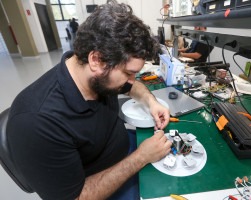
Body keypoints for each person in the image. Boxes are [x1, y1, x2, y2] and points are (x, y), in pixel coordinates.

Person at [6, 1, 172, 200]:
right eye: (129, 73)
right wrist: (140, 158)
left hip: (125, 152)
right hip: (103, 186)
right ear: (96, 60)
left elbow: (130, 86)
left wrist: (151, 102)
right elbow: (75, 197)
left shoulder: (96, 75)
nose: (132, 81)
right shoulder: (36, 122)